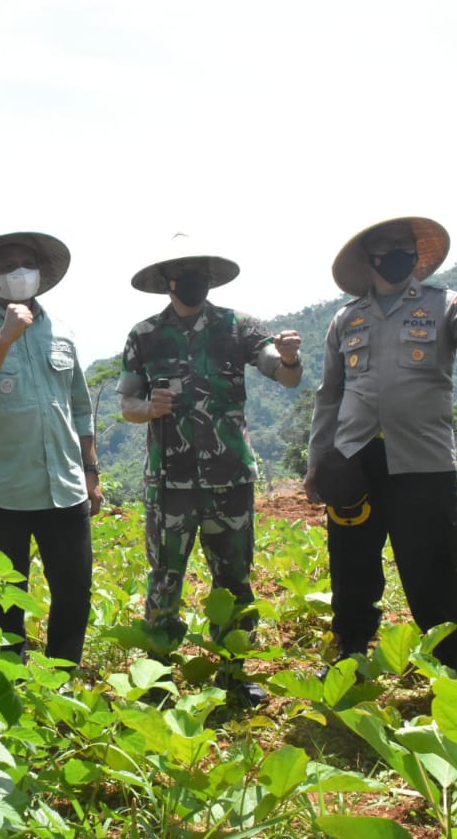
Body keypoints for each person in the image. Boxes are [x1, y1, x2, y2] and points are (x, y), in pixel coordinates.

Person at [305, 216, 457, 672]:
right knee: (351, 563)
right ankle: (350, 653)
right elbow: (330, 394)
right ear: (370, 257)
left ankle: (448, 662)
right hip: (354, 459)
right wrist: (318, 459)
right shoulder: (347, 318)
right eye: (388, 246)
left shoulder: (446, 305)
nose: (399, 253)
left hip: (423, 460)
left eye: (406, 245)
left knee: (432, 563)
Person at [118, 245, 302, 705]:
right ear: (168, 281)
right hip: (170, 481)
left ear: (210, 278)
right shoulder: (145, 335)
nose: (193, 279)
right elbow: (128, 404)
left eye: (199, 272)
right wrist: (149, 407)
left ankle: (235, 674)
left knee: (234, 577)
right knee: (165, 578)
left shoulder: (240, 327)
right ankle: (158, 676)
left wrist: (289, 357)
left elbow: (282, 374)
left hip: (229, 477)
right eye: (184, 273)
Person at [0, 231, 100, 666]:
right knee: (7, 598)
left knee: (74, 591)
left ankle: (61, 677)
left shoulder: (60, 329)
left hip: (64, 487)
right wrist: (5, 337)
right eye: (8, 266)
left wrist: (91, 472)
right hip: (0, 493)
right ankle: (12, 679)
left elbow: (79, 407)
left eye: (27, 264)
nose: (20, 273)